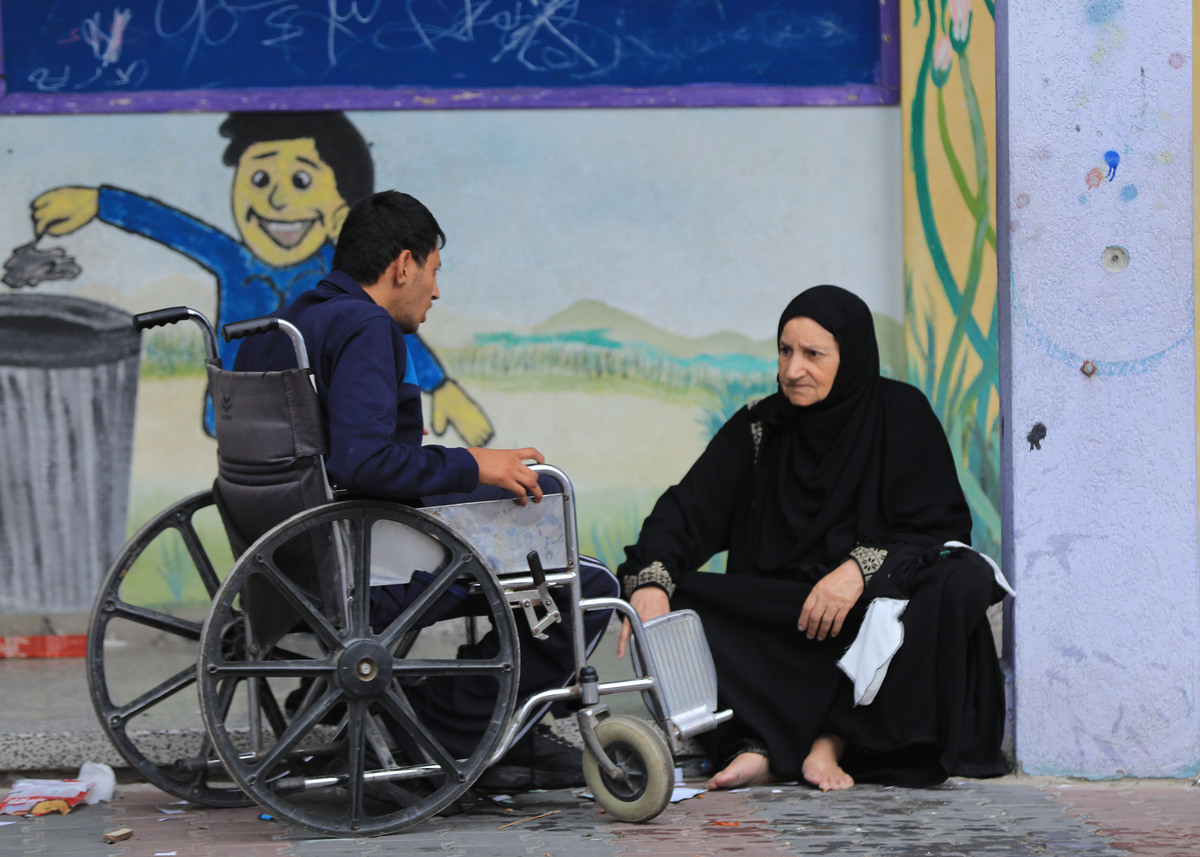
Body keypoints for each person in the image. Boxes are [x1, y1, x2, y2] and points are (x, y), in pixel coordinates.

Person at [234, 189, 618, 791]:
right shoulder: (364, 324)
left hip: (287, 561)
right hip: (360, 562)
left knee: (518, 530)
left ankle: (466, 717)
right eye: (435, 272)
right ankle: (454, 730)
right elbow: (363, 462)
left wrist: (472, 468)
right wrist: (475, 465)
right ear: (403, 264)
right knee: (586, 582)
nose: (436, 292)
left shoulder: (284, 325)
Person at [617, 285, 1010, 792]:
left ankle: (832, 739)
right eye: (785, 351)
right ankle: (765, 748)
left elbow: (940, 528)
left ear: (851, 356)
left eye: (812, 354)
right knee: (680, 597)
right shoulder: (760, 429)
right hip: (789, 620)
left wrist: (858, 572)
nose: (792, 369)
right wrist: (653, 581)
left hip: (872, 614)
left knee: (961, 578)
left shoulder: (901, 415)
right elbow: (685, 512)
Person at [31, 111, 493, 445]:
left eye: (300, 181)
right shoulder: (247, 263)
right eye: (258, 180)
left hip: (271, 438)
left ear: (341, 208)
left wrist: (440, 385)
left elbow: (393, 317)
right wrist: (99, 202)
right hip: (268, 430)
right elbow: (177, 228)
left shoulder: (339, 275)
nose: (275, 200)